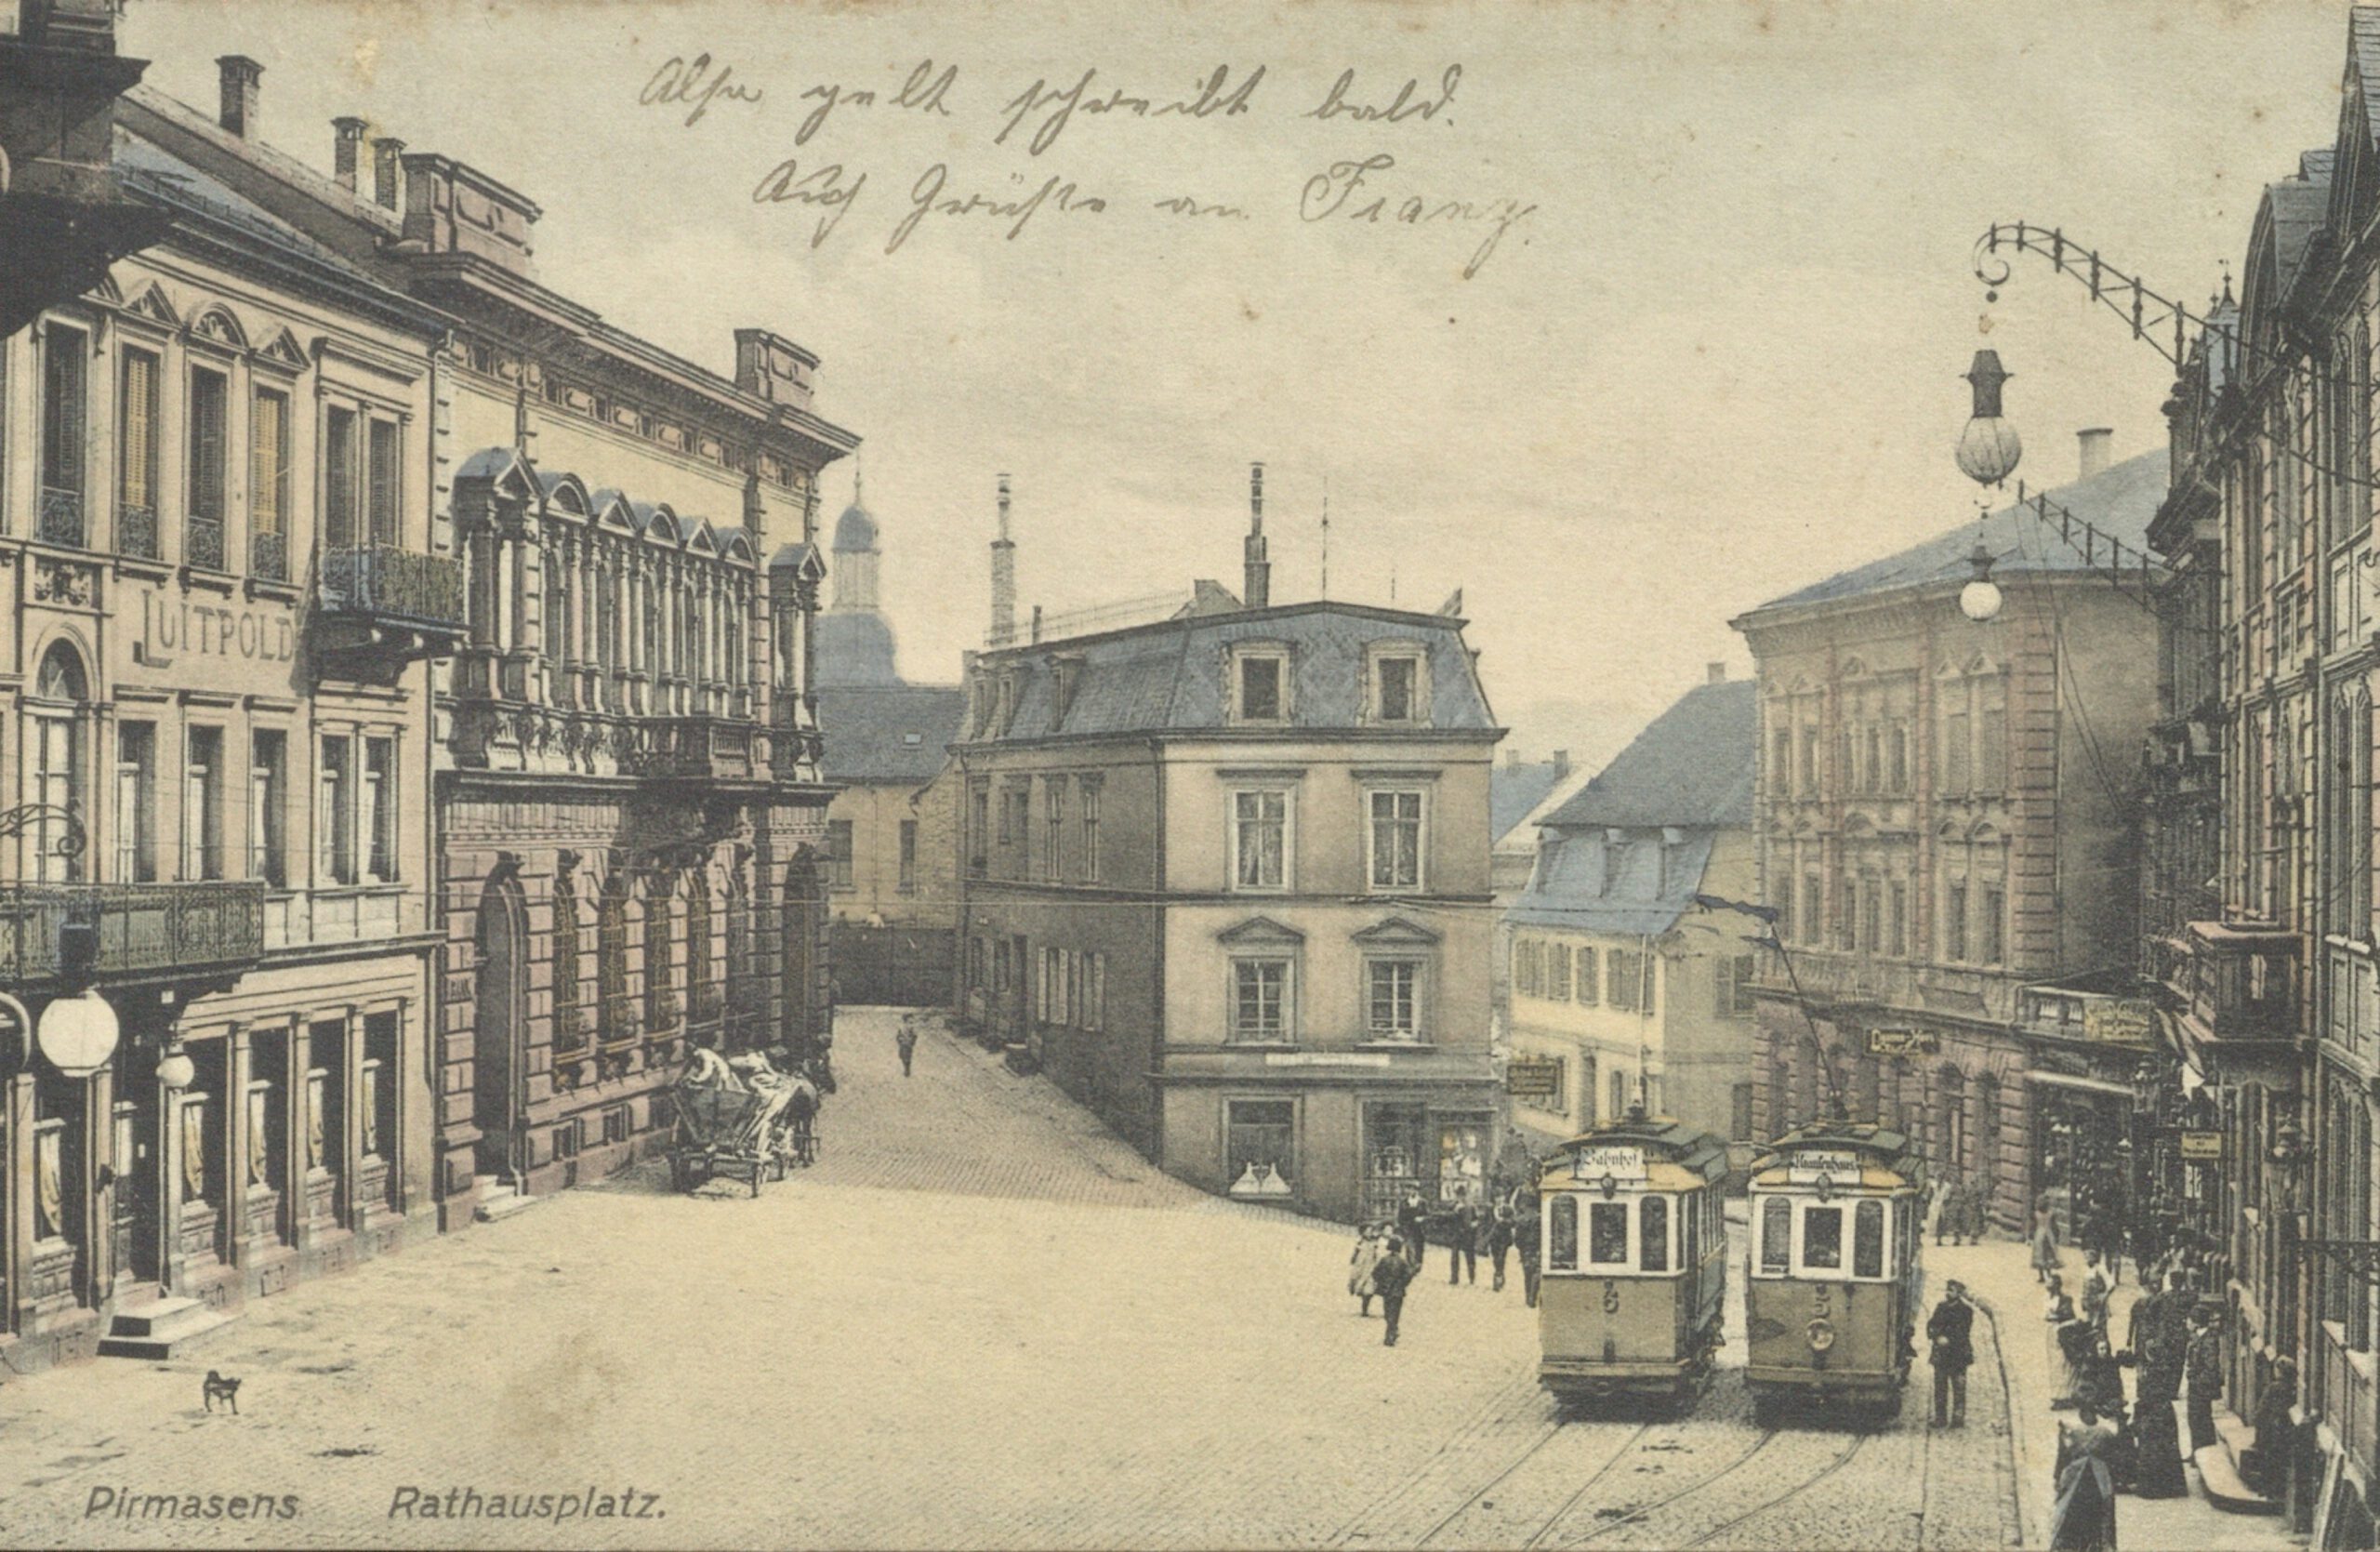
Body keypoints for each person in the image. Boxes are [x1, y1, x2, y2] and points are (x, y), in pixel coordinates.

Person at [2049, 1405, 2122, 1551]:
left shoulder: (2072, 1433)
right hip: (2098, 1479)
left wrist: (2057, 1478)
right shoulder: (2104, 1434)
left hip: (2076, 1480)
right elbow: (2114, 1458)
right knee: (2097, 1516)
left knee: (2073, 1514)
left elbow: (2063, 1457)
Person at [1927, 1279, 1976, 1427]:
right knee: (1940, 1388)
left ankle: (1958, 1418)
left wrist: (1948, 1339)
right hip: (1941, 1354)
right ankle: (1940, 1418)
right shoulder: (1940, 1307)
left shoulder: (1966, 1311)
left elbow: (1963, 1332)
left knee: (1959, 1387)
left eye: (1952, 1291)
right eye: (1947, 1290)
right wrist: (1936, 1336)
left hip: (1958, 1354)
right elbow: (1931, 1325)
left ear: (1959, 1293)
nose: (1948, 1293)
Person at [2186, 1309, 2224, 1453]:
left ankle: (2203, 1453)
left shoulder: (2208, 1341)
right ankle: (2197, 1452)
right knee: (2195, 1421)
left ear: (2196, 1322)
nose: (2187, 1323)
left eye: (2189, 1320)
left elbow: (2210, 1368)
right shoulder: (2198, 1337)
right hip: (2197, 1388)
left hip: (2201, 1389)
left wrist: (2196, 1381)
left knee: (2200, 1421)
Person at [1372, 1235, 1415, 1346]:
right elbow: (1408, 1275)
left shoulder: (1384, 1260)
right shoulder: (1402, 1262)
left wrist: (1381, 1282)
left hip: (1386, 1291)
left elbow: (1375, 1273)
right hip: (1398, 1292)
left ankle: (1391, 1333)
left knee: (1387, 1312)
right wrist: (1402, 1284)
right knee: (1395, 1314)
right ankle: (1392, 1333)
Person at [2044, 1274, 2079, 1408]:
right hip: (2051, 1333)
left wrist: (2056, 1316)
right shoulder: (2046, 1298)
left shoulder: (2065, 1299)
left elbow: (2071, 1316)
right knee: (2054, 1364)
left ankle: (2066, 1396)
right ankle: (2057, 1395)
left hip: (2062, 1331)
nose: (2048, 1286)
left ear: (2057, 1286)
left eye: (2051, 1283)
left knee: (2063, 1363)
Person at [1348, 1223, 1387, 1318]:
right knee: (1360, 1287)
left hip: (1371, 1268)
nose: (1370, 1233)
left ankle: (1365, 1309)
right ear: (1363, 1232)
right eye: (1368, 1231)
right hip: (1361, 1267)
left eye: (1371, 1231)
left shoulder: (1375, 1242)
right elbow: (1354, 1257)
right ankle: (1364, 1307)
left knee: (1368, 1291)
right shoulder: (1360, 1242)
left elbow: (1378, 1254)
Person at [1448, 1188, 1483, 1286]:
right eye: (1458, 1196)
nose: (1460, 1198)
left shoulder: (1471, 1206)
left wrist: (1475, 1224)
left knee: (1470, 1256)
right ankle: (1454, 1278)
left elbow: (1477, 1219)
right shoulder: (1453, 1206)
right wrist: (1455, 1211)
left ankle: (1471, 1277)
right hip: (1456, 1234)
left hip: (1468, 1234)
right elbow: (1447, 1218)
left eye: (1462, 1195)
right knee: (1454, 1256)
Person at [1516, 1198, 1543, 1308]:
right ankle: (1533, 1296)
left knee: (1528, 1274)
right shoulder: (1541, 1219)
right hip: (1536, 1249)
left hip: (1526, 1250)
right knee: (1536, 1273)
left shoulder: (1521, 1220)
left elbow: (1517, 1239)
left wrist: (1521, 1250)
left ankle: (1529, 1297)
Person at [1486, 1198, 1515, 1292]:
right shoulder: (1490, 1209)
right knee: (1495, 1259)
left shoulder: (1508, 1209)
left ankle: (1497, 1280)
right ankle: (1500, 1274)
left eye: (1500, 1197)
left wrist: (1503, 1221)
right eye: (1497, 1198)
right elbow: (1486, 1223)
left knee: (1501, 1258)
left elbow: (1513, 1222)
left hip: (1504, 1239)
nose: (1499, 1200)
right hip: (1493, 1239)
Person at [1397, 1188, 1430, 1273]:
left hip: (1420, 1229)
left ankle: (1418, 1266)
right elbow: (1400, 1217)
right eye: (1410, 1189)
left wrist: (1422, 1218)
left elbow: (1428, 1216)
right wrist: (1403, 1227)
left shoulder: (1423, 1202)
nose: (1412, 1191)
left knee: (1419, 1248)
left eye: (1414, 1189)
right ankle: (1410, 1267)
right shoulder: (1404, 1202)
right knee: (1409, 1247)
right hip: (1408, 1229)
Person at [2033, 1203, 2062, 1284]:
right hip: (2049, 1235)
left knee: (2040, 1255)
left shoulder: (2036, 1214)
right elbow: (2054, 1225)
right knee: (2048, 1255)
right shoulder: (2050, 1214)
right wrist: (2056, 1235)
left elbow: (2034, 1225)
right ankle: (2048, 1275)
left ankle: (2041, 1276)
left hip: (2039, 1235)